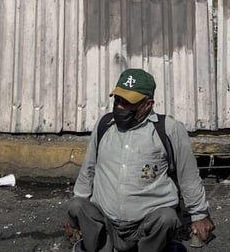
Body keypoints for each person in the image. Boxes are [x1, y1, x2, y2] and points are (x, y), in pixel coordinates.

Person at [68, 69, 215, 251]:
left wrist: (199, 215)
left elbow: (188, 176)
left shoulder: (169, 129)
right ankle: (102, 246)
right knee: (76, 205)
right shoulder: (104, 125)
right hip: (107, 222)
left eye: (127, 103)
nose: (120, 107)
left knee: (167, 218)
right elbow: (88, 170)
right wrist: (75, 219)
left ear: (147, 104)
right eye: (118, 100)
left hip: (145, 225)